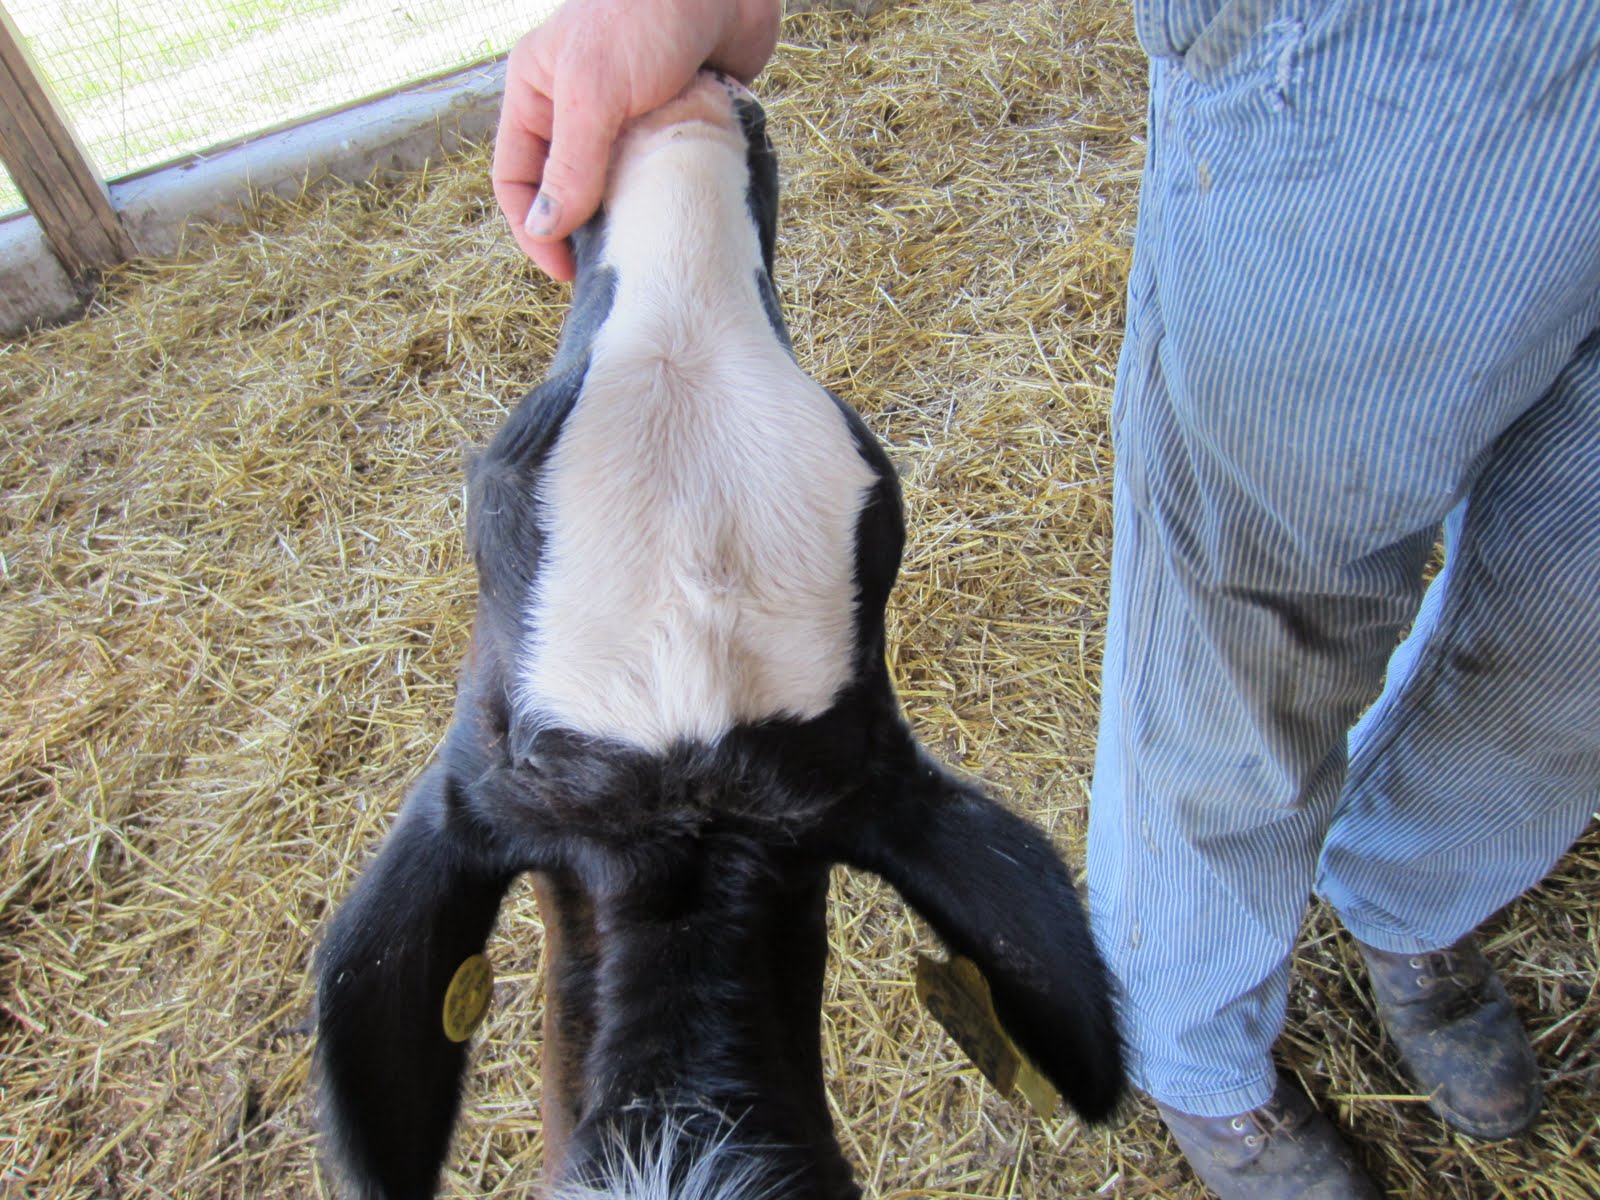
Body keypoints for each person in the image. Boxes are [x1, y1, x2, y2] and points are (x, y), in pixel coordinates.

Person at [492, 3, 1600, 1197]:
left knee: (1574, 628)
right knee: (1263, 608)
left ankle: (1416, 888)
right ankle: (1194, 1052)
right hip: (1406, 68)